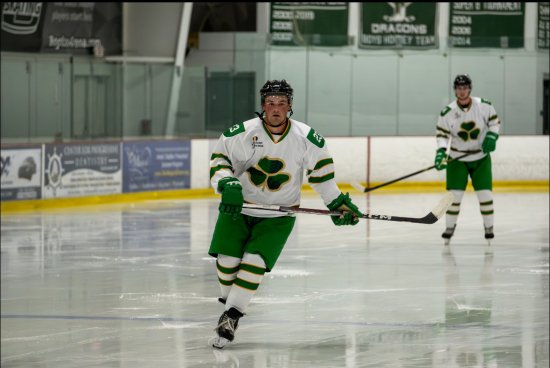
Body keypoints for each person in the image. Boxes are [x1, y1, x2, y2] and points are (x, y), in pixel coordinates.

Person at [208, 79, 363, 349]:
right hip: (238, 209)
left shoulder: (306, 138)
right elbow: (219, 161)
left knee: (254, 263)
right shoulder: (241, 133)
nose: (276, 108)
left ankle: (231, 316)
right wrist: (228, 183)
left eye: (281, 103)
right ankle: (231, 303)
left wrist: (336, 202)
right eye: (270, 103)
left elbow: (323, 178)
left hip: (278, 216)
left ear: (290, 105)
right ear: (263, 106)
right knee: (228, 262)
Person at [434, 74, 501, 244]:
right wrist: (441, 152)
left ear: (470, 89)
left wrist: (492, 137)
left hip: (481, 158)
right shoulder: (448, 112)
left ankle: (489, 228)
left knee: (485, 195)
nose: (462, 91)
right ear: (455, 90)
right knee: (453, 197)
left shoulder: (484, 106)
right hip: (457, 159)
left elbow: (494, 123)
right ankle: (450, 227)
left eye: (464, 88)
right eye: (459, 88)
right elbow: (442, 134)